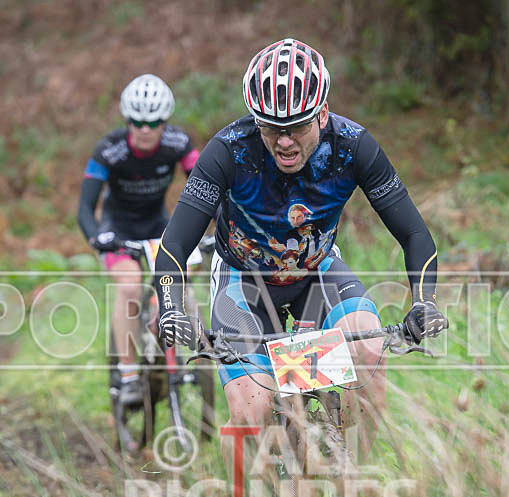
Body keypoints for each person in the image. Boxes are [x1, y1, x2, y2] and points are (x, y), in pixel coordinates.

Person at [155, 38, 448, 467]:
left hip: (317, 274)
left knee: (368, 351)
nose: (285, 142)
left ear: (323, 113)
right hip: (244, 282)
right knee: (252, 411)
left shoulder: (353, 146)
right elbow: (176, 242)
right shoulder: (228, 151)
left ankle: (354, 488)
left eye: (298, 127)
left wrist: (425, 302)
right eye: (272, 128)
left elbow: (415, 234)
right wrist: (169, 307)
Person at [77, 74, 200, 404]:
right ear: (127, 119)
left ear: (166, 120)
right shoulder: (109, 150)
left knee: (180, 283)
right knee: (130, 286)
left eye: (154, 122)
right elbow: (85, 209)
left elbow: (207, 187)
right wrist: (97, 237)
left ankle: (164, 330)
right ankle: (129, 374)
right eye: (138, 122)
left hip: (158, 227)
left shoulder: (178, 143)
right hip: (117, 231)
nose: (146, 129)